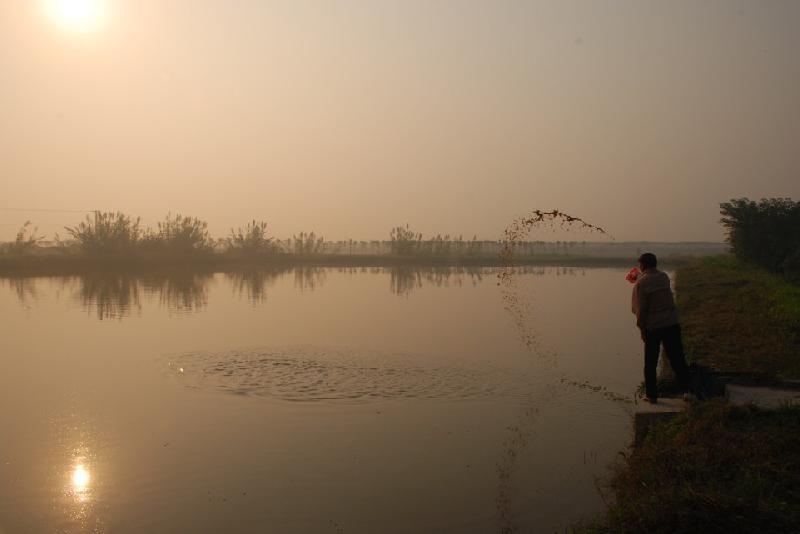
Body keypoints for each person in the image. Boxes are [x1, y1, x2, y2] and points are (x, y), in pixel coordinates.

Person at [631, 252, 690, 403]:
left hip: (654, 327)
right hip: (671, 323)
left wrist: (642, 330)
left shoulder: (641, 284)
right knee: (677, 359)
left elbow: (640, 310)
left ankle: (651, 395)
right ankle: (688, 391)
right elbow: (654, 285)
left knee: (650, 363)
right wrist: (639, 279)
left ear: (642, 265)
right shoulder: (663, 277)